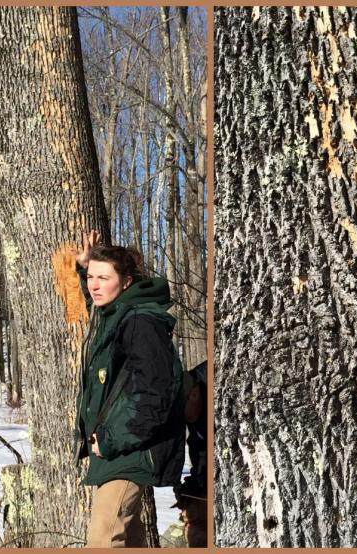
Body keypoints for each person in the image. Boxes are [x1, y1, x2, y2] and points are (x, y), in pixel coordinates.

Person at [72, 230, 185, 548]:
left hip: (131, 448)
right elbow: (96, 301)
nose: (94, 285)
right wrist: (84, 268)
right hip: (118, 449)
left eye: (103, 277)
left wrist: (110, 441)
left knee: (103, 540)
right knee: (128, 540)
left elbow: (156, 393)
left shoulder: (141, 323)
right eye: (92, 277)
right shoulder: (117, 314)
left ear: (127, 282)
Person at [174, 361, 207, 547]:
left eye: (182, 412)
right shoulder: (194, 410)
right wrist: (195, 484)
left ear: (193, 395)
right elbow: (199, 450)